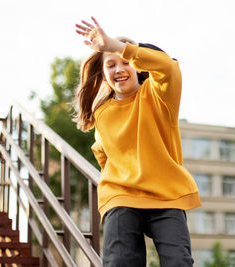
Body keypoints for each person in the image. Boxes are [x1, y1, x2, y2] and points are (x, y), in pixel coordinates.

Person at [74, 17, 201, 267]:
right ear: (103, 74)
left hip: (167, 194)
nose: (119, 69)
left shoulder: (159, 96)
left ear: (137, 66)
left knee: (178, 262)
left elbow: (169, 67)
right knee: (121, 261)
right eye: (111, 65)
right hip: (122, 196)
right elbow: (103, 152)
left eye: (125, 62)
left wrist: (117, 45)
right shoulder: (103, 113)